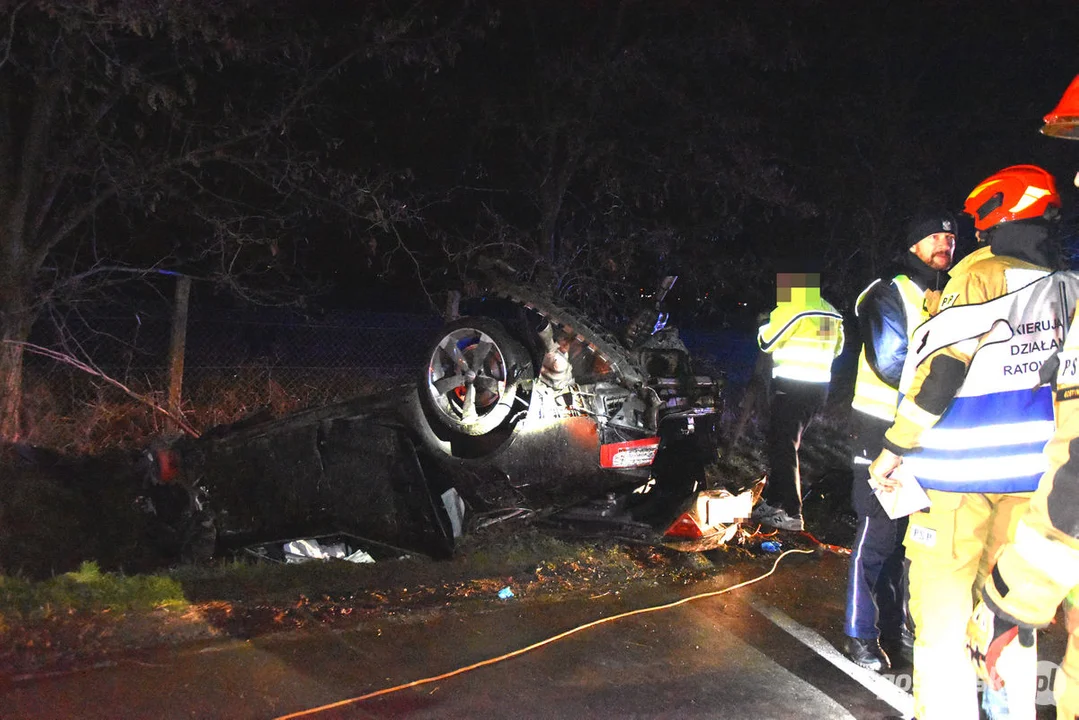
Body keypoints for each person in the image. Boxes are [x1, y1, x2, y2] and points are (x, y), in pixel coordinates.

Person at [868, 163, 1069, 720]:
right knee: (1004, 615)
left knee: (940, 623)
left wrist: (896, 445)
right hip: (1033, 483)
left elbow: (941, 371)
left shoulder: (977, 276)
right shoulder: (1068, 285)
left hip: (958, 481)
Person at [965, 74, 1079, 720]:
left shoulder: (972, 280)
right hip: (1022, 485)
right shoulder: (1063, 286)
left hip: (985, 495)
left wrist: (1014, 603)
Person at [842, 211, 956, 672]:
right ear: (913, 245)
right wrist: (948, 377)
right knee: (877, 537)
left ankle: (899, 630)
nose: (945, 243)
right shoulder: (888, 291)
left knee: (917, 543)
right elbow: (892, 363)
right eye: (935, 236)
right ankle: (860, 634)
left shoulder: (948, 294)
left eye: (951, 236)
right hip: (880, 433)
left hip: (924, 434)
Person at [752, 272, 844, 532]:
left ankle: (792, 512)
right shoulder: (830, 311)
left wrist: (763, 323)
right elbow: (836, 349)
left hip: (791, 388)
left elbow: (766, 341)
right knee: (784, 444)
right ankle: (773, 500)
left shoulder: (792, 308)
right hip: (817, 390)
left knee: (782, 447)